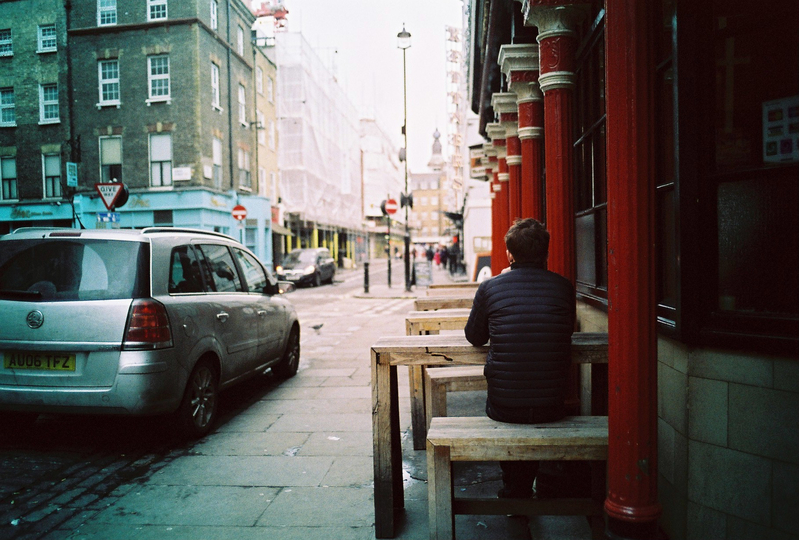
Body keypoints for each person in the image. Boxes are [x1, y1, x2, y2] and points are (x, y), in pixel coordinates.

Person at [464, 218, 575, 498]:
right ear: (546, 254)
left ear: (509, 254)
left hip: (505, 405)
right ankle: (536, 482)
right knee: (536, 397)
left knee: (510, 401)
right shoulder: (564, 288)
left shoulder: (490, 288)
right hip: (553, 402)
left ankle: (516, 487)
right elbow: (567, 330)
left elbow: (474, 337)